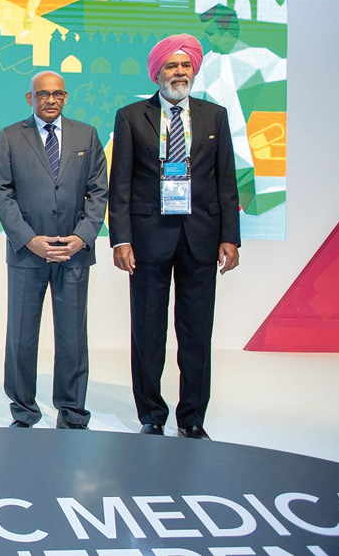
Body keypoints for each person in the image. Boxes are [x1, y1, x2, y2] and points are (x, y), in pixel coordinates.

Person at [109, 34, 240, 440]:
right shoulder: (132, 117)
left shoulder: (214, 116)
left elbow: (226, 181)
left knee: (197, 332)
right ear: (158, 73)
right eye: (171, 66)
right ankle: (151, 414)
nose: (179, 72)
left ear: (193, 70)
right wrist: (121, 238)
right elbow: (121, 184)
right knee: (148, 331)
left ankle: (192, 418)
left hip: (201, 236)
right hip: (148, 238)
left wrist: (230, 237)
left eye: (185, 66)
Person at [0, 71, 107, 429]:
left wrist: (82, 236)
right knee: (22, 336)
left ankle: (72, 413)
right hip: (28, 253)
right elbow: (1, 192)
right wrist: (28, 239)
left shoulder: (86, 134)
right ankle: (24, 411)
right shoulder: (11, 136)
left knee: (73, 337)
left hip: (74, 252)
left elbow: (98, 191)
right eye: (42, 94)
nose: (50, 100)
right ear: (30, 99)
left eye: (57, 94)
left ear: (66, 96)